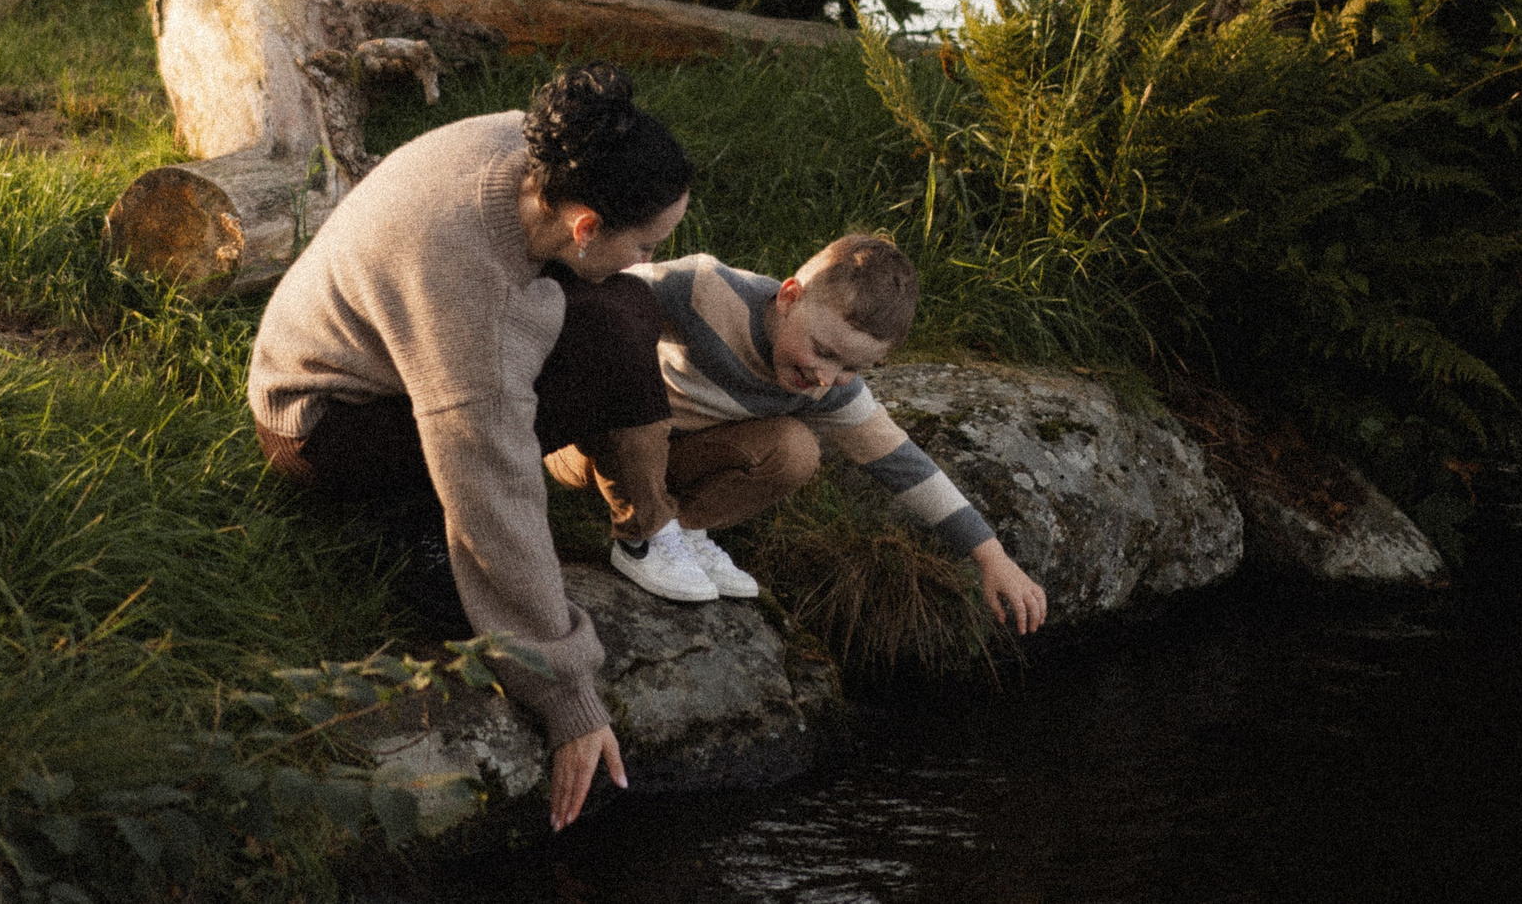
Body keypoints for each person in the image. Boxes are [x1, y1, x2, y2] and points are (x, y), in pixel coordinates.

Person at [248, 63, 695, 833]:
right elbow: (497, 481)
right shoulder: (468, 286)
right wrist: (568, 696)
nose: (650, 251)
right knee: (590, 350)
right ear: (585, 226)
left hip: (398, 364)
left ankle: (452, 510)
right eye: (645, 238)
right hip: (325, 425)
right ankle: (415, 526)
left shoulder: (535, 148)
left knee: (626, 306)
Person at [545, 233, 1049, 633]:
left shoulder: (827, 388)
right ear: (789, 298)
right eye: (825, 351)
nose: (827, 377)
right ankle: (643, 535)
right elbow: (599, 292)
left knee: (795, 449)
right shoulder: (701, 288)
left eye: (853, 367)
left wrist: (992, 557)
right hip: (596, 440)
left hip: (677, 455)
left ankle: (685, 530)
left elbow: (905, 465)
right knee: (628, 367)